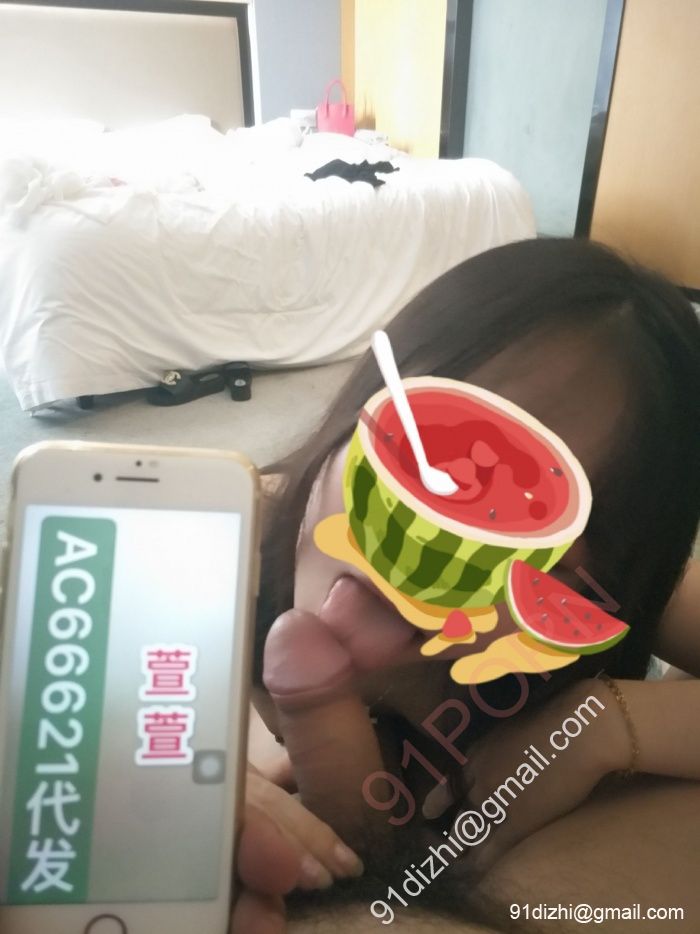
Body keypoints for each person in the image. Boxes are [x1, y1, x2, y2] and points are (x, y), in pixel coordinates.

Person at [231, 238, 700, 933]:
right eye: (436, 455)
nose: (438, 538)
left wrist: (605, 724)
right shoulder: (224, 534)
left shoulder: (608, 613)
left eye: (528, 521)